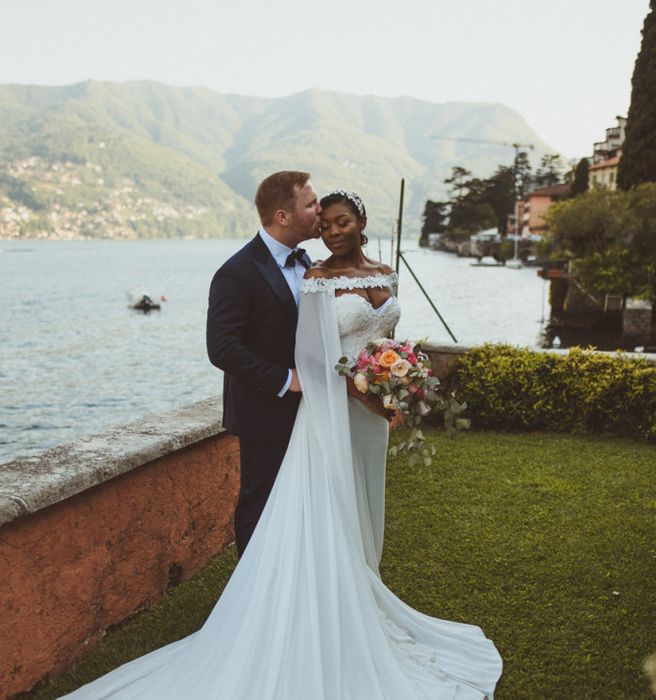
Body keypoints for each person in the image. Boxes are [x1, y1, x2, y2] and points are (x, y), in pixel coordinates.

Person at [63, 189, 502, 699]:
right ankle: (310, 612)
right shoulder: (315, 279)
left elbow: (388, 342)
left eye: (342, 222)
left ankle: (361, 595)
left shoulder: (385, 273)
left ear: (361, 222)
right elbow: (314, 358)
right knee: (324, 506)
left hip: (372, 416)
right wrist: (366, 391)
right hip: (334, 410)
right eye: (325, 221)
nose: (332, 230)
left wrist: (398, 382)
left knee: (364, 506)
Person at [206, 170, 321, 557]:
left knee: (300, 500)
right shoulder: (236, 272)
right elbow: (221, 347)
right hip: (263, 410)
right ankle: (252, 598)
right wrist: (285, 379)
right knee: (261, 502)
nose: (320, 210)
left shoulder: (308, 263)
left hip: (310, 410)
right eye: (311, 204)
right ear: (283, 217)